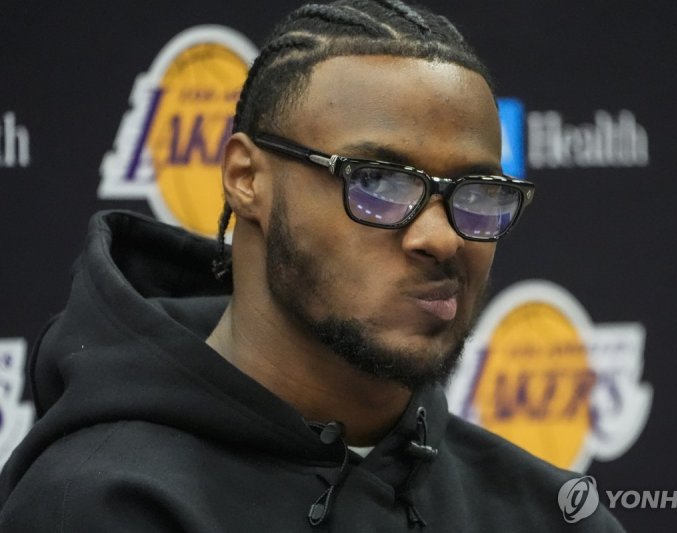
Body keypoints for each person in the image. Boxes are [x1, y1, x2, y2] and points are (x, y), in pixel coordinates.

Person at [0, 1, 625, 531]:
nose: (441, 238)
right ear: (247, 179)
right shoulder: (99, 506)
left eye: (479, 192)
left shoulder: (554, 513)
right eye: (378, 180)